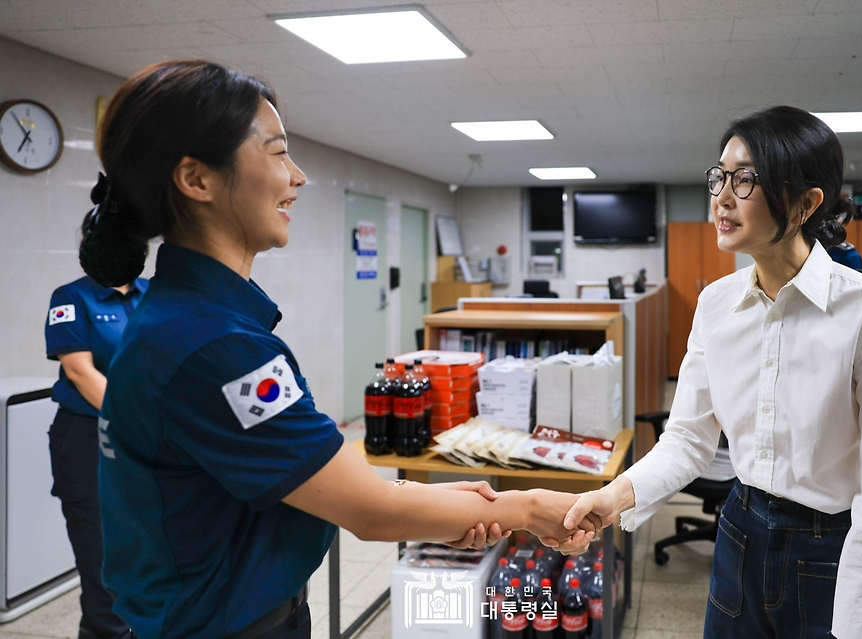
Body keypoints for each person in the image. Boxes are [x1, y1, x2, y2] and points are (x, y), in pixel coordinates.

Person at [82, 59, 597, 639]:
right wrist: (523, 509)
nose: (297, 177)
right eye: (277, 153)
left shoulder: (193, 321)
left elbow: (311, 479)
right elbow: (370, 515)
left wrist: (404, 496)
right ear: (196, 179)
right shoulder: (213, 346)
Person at [548, 106, 862, 639]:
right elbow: (689, 440)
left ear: (807, 203)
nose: (721, 196)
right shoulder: (715, 304)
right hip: (739, 533)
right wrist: (614, 496)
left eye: (747, 179)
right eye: (721, 175)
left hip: (830, 551)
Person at [45, 210, 147, 639]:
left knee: (142, 556)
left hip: (144, 440)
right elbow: (81, 372)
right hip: (89, 439)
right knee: (102, 562)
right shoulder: (72, 298)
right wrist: (141, 420)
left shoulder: (154, 295)